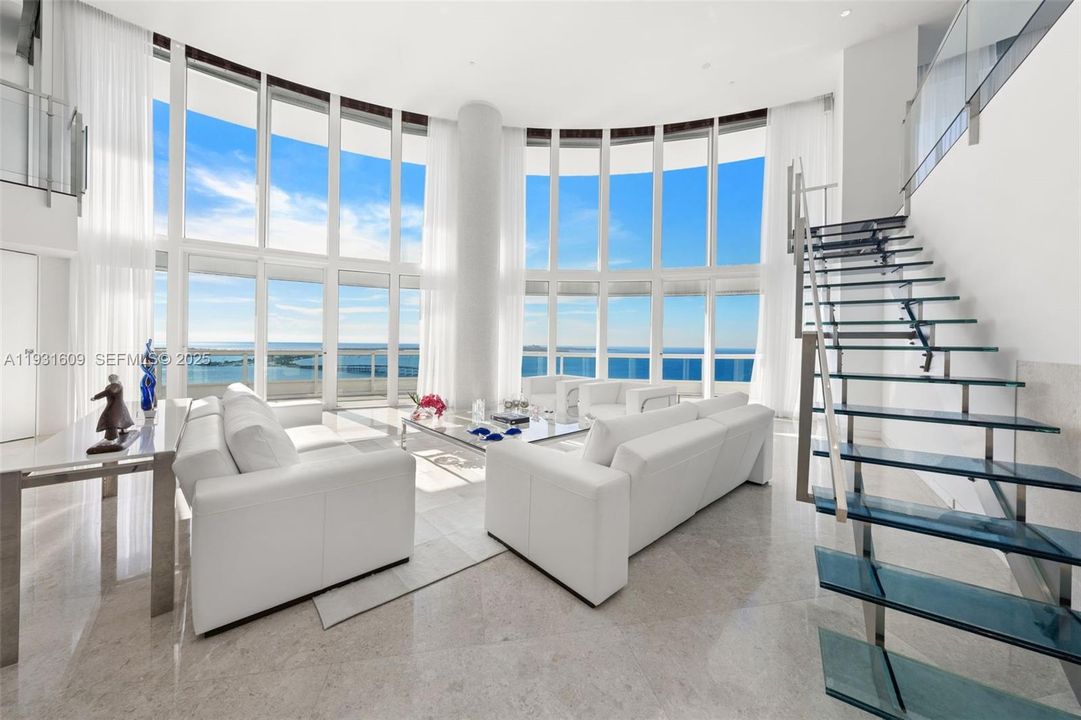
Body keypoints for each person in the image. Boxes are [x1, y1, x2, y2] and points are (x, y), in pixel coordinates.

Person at [92, 374, 135, 440]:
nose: (111, 379)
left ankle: (113, 436)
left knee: (112, 420)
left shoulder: (116, 386)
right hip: (114, 405)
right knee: (118, 418)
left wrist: (96, 397)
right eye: (110, 378)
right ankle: (118, 432)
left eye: (112, 378)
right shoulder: (111, 386)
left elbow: (110, 391)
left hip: (115, 406)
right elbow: (108, 391)